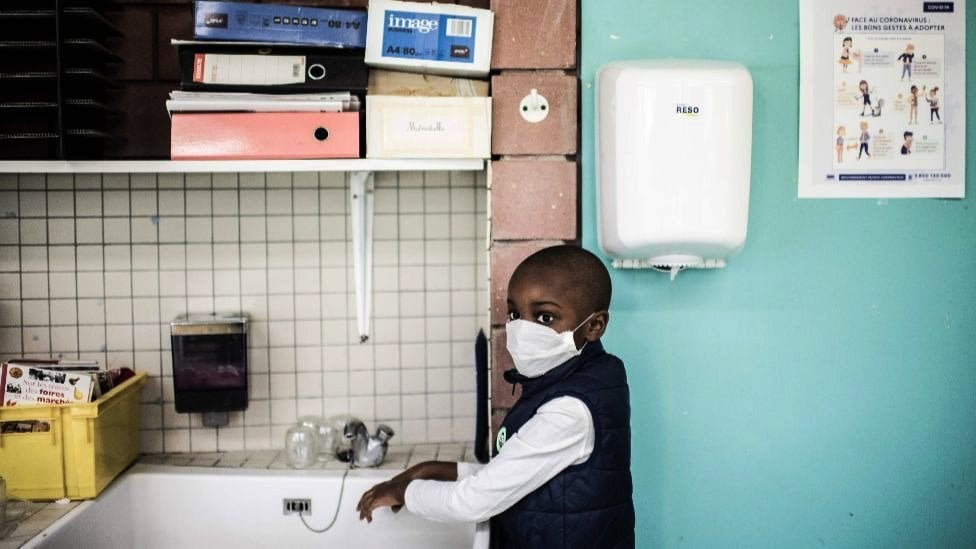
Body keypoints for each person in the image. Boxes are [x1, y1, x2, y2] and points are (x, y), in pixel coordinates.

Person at [356, 245, 636, 548]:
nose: (522, 329)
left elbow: (472, 502)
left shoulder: (569, 409)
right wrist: (441, 471)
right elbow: (522, 472)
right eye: (515, 313)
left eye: (544, 317)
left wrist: (403, 493)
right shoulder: (570, 379)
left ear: (594, 325)